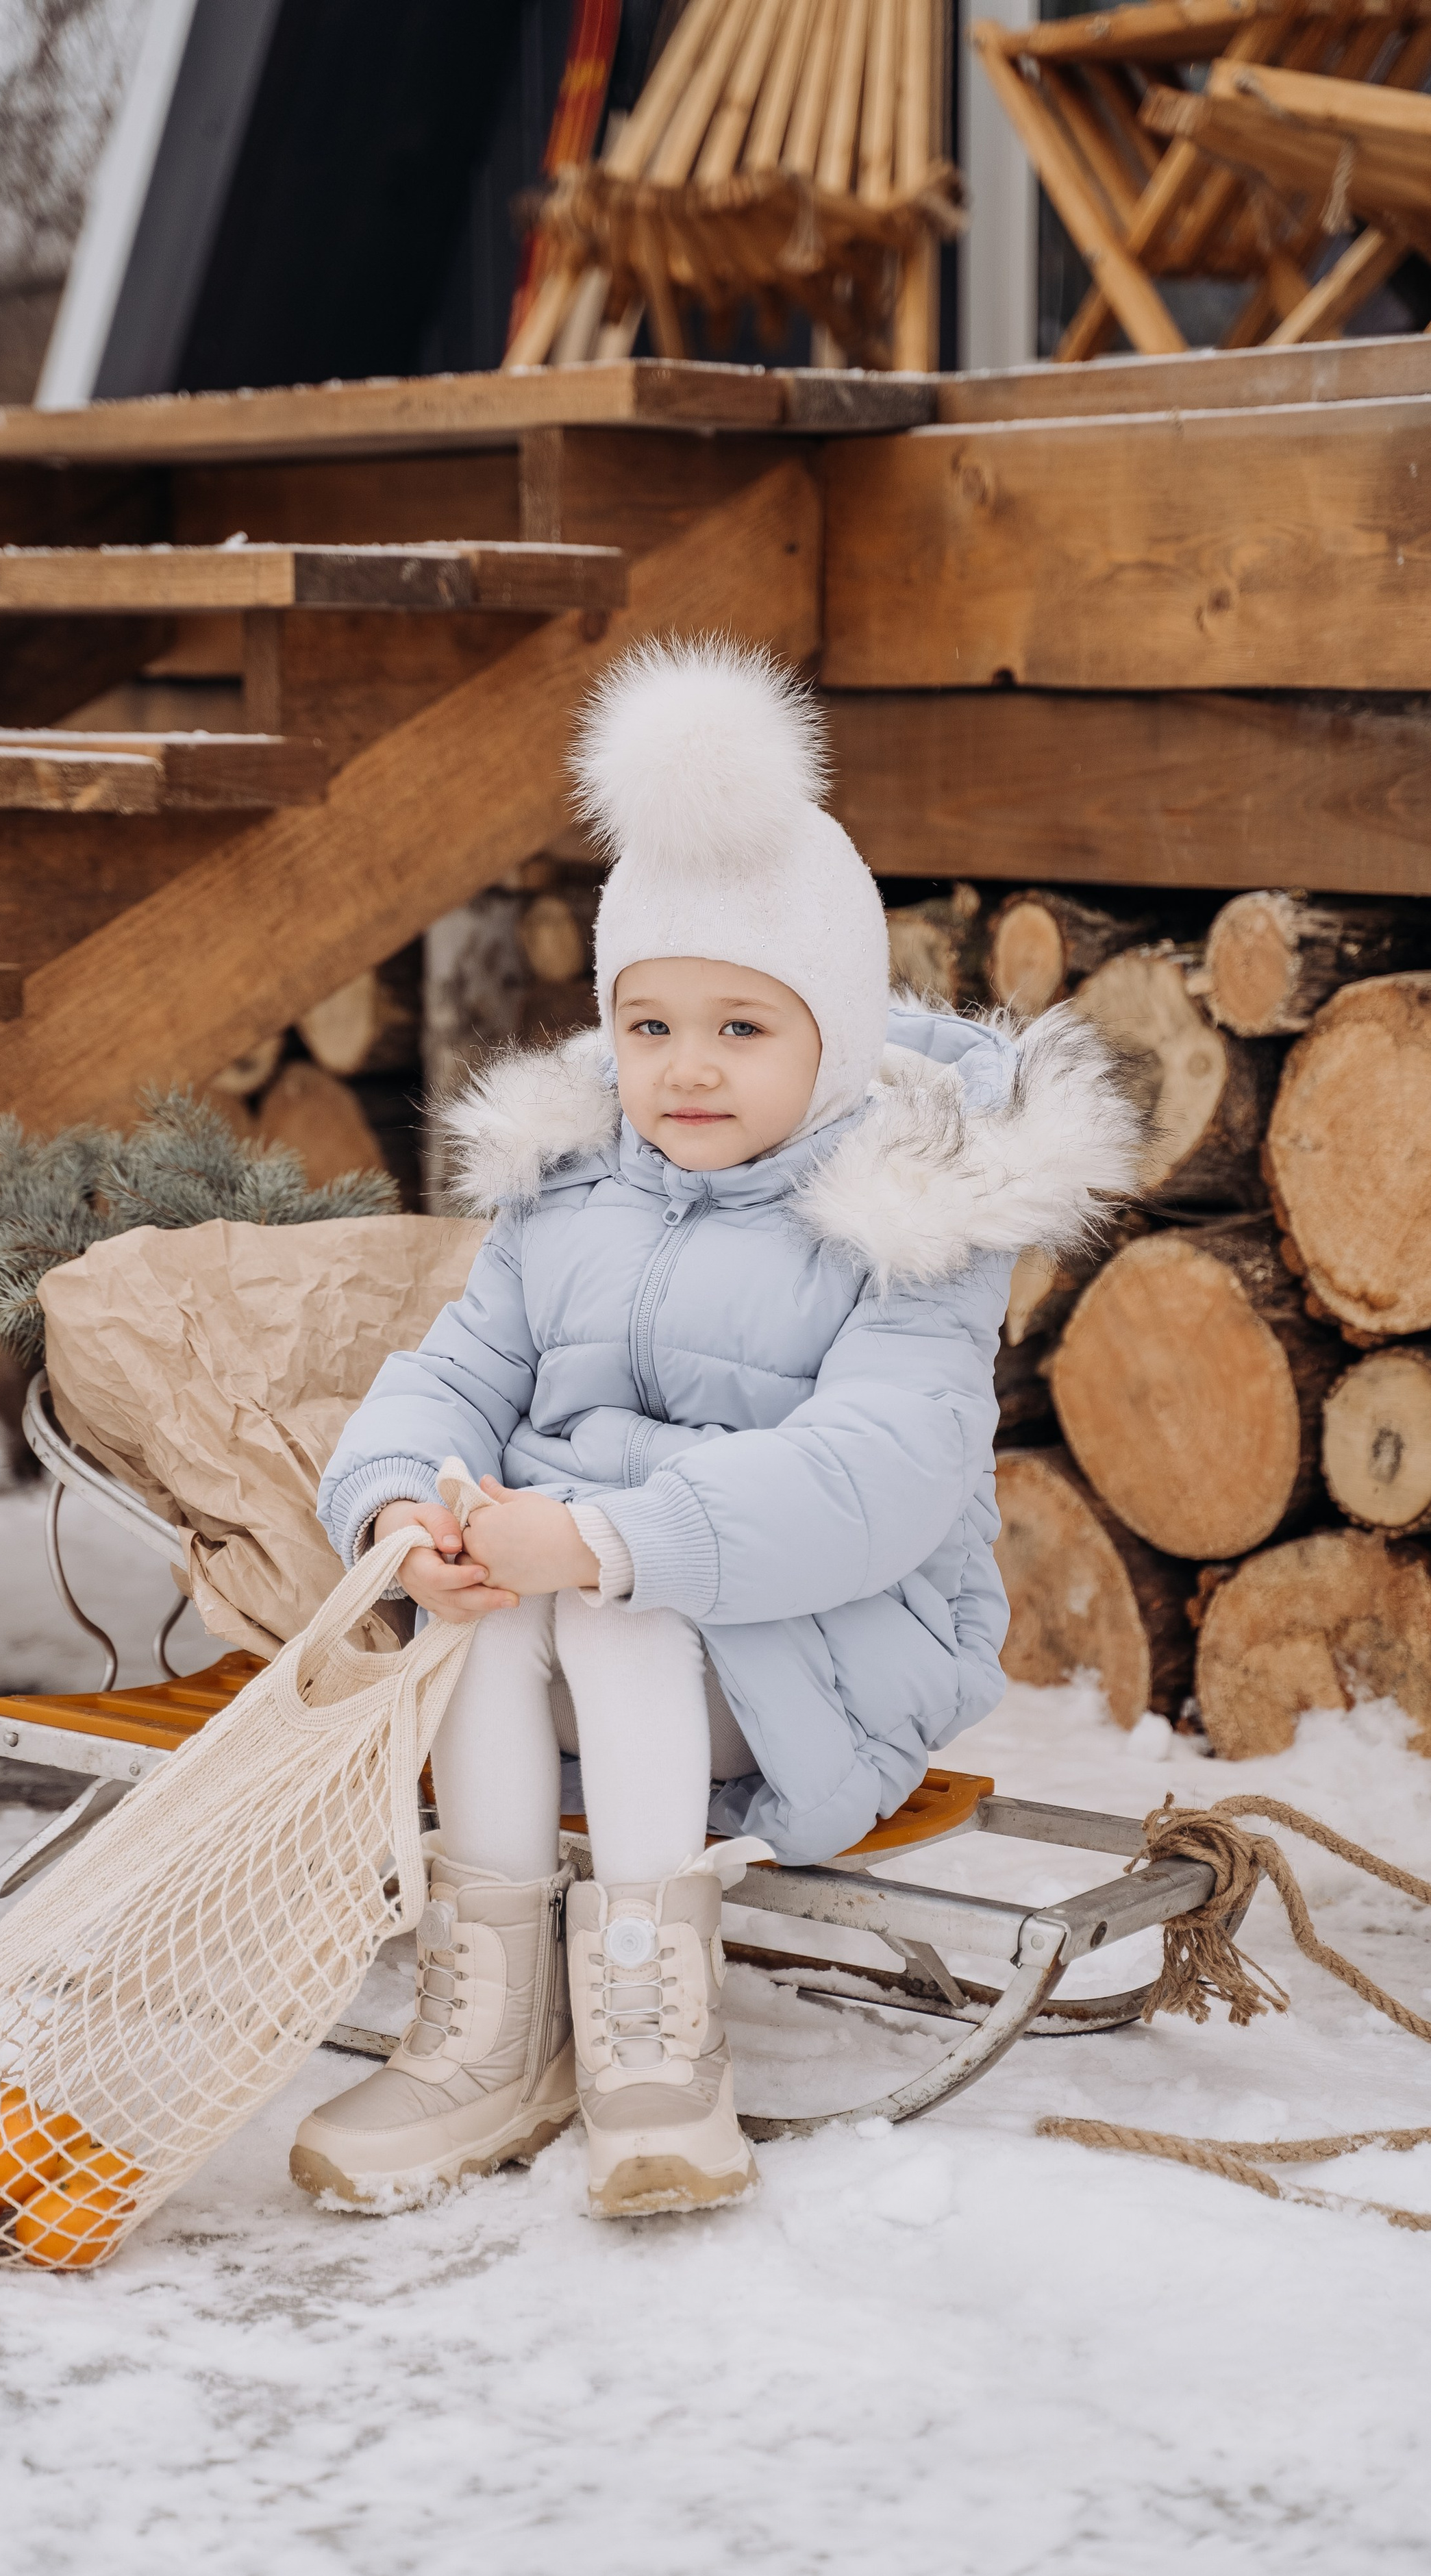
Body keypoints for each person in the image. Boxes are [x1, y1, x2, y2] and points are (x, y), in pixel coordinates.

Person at [291, 639, 1139, 2220]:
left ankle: (649, 2038)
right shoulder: (572, 1190)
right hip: (568, 1635)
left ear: (831, 1034)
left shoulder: (907, 1220)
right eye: (649, 1025)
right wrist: (410, 1505)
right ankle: (486, 2027)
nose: (685, 1069)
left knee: (621, 1606)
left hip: (828, 1647)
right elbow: (455, 1362)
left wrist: (611, 1541)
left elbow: (880, 1475)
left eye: (743, 1028)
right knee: (493, 1598)